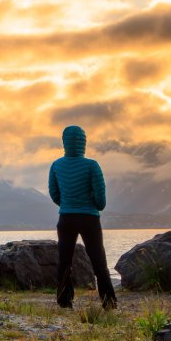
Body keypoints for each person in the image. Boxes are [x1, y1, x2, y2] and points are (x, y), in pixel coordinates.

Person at [48, 125, 117, 310]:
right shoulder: (92, 165)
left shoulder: (56, 165)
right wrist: (90, 203)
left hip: (66, 218)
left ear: (65, 142)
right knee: (99, 261)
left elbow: (54, 194)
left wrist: (67, 204)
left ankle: (64, 301)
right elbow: (101, 201)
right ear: (83, 142)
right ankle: (108, 302)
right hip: (89, 219)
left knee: (64, 261)